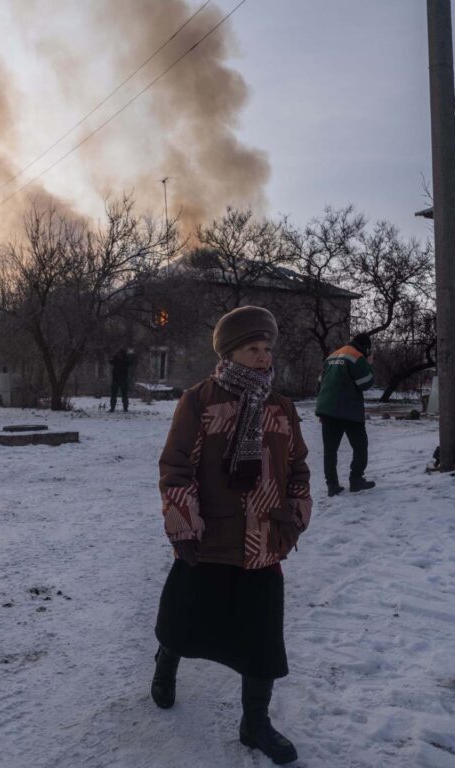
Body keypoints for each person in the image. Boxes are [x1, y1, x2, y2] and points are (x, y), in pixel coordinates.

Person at [152, 305, 312, 765]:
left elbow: (297, 467)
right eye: (252, 348)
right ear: (229, 353)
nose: (263, 357)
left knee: (263, 637)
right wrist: (185, 523)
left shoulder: (281, 406)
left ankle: (255, 723)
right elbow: (176, 467)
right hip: (209, 537)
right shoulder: (200, 400)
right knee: (184, 618)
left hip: (265, 540)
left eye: (267, 348)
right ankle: (166, 664)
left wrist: (295, 513)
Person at [315, 332, 376, 495]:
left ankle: (332, 486)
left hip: (327, 411)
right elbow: (365, 383)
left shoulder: (332, 356)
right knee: (360, 446)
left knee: (330, 450)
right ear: (366, 347)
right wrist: (369, 365)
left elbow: (319, 384)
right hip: (349, 411)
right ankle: (356, 479)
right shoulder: (357, 356)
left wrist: (323, 409)